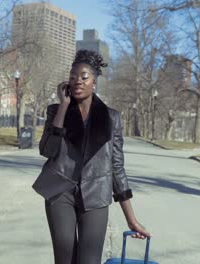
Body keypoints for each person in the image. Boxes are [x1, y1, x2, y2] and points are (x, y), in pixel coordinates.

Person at [32, 50, 152, 264]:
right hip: (60, 191)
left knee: (89, 261)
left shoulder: (111, 118)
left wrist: (131, 219)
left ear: (94, 82)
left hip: (96, 194)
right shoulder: (56, 111)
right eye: (72, 76)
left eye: (83, 77)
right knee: (65, 258)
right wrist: (63, 107)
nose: (77, 81)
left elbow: (116, 168)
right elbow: (47, 150)